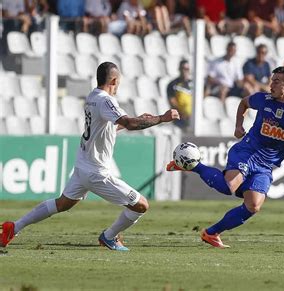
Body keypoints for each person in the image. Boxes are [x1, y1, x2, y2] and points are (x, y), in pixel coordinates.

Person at [0, 62, 180, 250]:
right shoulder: (106, 100)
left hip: (82, 167)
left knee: (62, 204)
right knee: (141, 205)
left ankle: (14, 227)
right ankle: (109, 236)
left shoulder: (92, 97)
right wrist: (161, 118)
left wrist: (141, 120)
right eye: (118, 82)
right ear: (114, 80)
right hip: (97, 172)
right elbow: (130, 123)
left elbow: (106, 128)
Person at [167, 66, 284, 248]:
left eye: (276, 81)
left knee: (253, 206)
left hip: (265, 164)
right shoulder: (263, 99)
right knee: (228, 187)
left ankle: (211, 233)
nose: (271, 85)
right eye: (272, 80)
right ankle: (192, 165)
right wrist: (239, 125)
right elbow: (244, 103)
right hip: (247, 152)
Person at [167, 59, 192, 131]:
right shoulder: (173, 84)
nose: (185, 71)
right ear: (179, 69)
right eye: (183, 68)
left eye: (187, 69)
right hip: (180, 118)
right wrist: (182, 114)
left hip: (192, 118)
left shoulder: (194, 84)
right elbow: (172, 101)